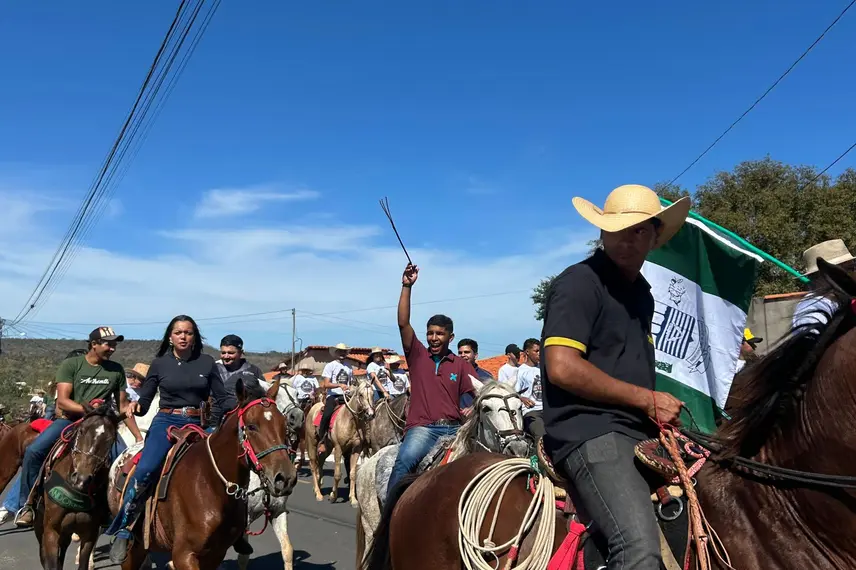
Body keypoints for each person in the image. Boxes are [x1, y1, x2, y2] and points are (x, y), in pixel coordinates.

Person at [541, 184, 690, 570]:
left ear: (656, 236)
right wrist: (646, 399)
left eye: (640, 229)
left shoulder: (642, 292)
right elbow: (561, 365)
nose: (628, 238)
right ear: (602, 232)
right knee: (638, 551)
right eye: (619, 229)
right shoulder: (580, 282)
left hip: (637, 431)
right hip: (589, 430)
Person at [106, 315, 230, 563]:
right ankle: (125, 528)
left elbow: (223, 398)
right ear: (170, 337)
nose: (183, 336)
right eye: (178, 332)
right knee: (146, 469)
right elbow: (145, 400)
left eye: (188, 332)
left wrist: (244, 407)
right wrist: (135, 407)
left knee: (224, 469)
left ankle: (235, 530)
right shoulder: (160, 364)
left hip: (198, 424)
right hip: (167, 423)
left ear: (195, 337)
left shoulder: (207, 363)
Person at [13, 327, 138, 528]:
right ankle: (26, 504)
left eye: (114, 344)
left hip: (102, 425)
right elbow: (62, 401)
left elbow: (123, 406)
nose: (112, 348)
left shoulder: (116, 370)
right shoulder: (72, 365)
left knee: (121, 462)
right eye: (108, 343)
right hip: (71, 420)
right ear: (93, 344)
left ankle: (111, 509)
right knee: (34, 452)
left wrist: (138, 438)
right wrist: (87, 409)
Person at [386, 263, 477, 499]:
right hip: (423, 428)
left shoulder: (460, 364)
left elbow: (483, 392)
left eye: (439, 334)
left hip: (455, 429)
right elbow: (403, 323)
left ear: (450, 337)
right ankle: (389, 519)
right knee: (404, 462)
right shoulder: (417, 354)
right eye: (430, 333)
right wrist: (406, 286)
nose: (433, 338)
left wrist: (473, 408)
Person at [793, 239, 855, 331]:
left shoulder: (842, 299)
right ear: (825, 274)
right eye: (849, 269)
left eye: (854, 267)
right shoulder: (813, 308)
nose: (853, 273)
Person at [215, 334, 265, 421]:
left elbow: (263, 397)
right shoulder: (213, 369)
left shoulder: (253, 371)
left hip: (246, 420)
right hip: (216, 421)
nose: (226, 356)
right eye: (223, 353)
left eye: (231, 353)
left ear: (241, 353)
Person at [317, 343, 354, 456]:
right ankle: (322, 441)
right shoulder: (330, 365)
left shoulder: (349, 367)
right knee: (327, 415)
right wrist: (339, 385)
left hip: (347, 396)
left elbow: (351, 382)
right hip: (333, 396)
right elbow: (326, 384)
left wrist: (351, 388)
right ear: (336, 353)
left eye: (344, 351)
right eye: (340, 351)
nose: (342, 353)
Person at [514, 338, 544, 438]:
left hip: (547, 410)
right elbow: (513, 393)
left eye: (541, 351)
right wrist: (522, 398)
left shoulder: (544, 368)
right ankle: (535, 454)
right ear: (527, 352)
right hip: (532, 411)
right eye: (536, 351)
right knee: (542, 436)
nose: (539, 353)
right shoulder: (521, 371)